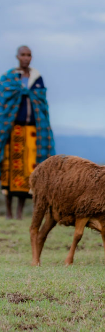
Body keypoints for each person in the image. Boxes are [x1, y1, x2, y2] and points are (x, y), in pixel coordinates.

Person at [0, 46, 55, 219]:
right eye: (23, 54)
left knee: (29, 172)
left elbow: (42, 104)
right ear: (17, 56)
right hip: (14, 130)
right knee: (10, 170)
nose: (26, 58)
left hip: (33, 132)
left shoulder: (36, 79)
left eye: (29, 55)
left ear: (31, 57)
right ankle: (8, 212)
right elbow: (4, 103)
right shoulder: (9, 79)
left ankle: (19, 213)